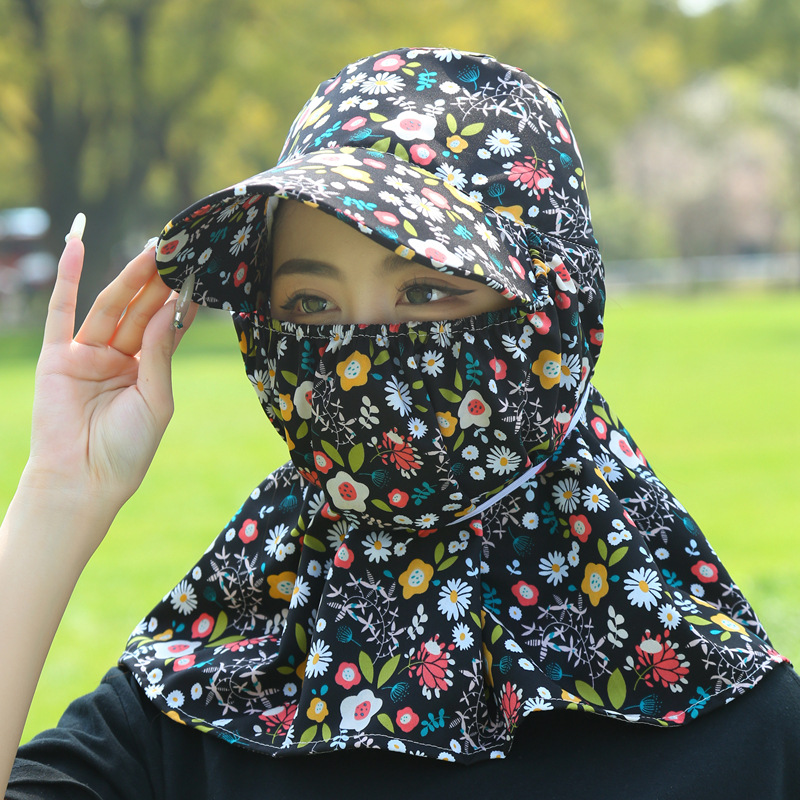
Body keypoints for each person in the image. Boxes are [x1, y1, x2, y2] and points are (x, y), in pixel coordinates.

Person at [3, 46, 799, 799]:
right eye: (311, 303)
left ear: (552, 308)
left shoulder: (742, 735)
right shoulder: (211, 695)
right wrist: (61, 494)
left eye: (425, 291)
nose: (358, 354)